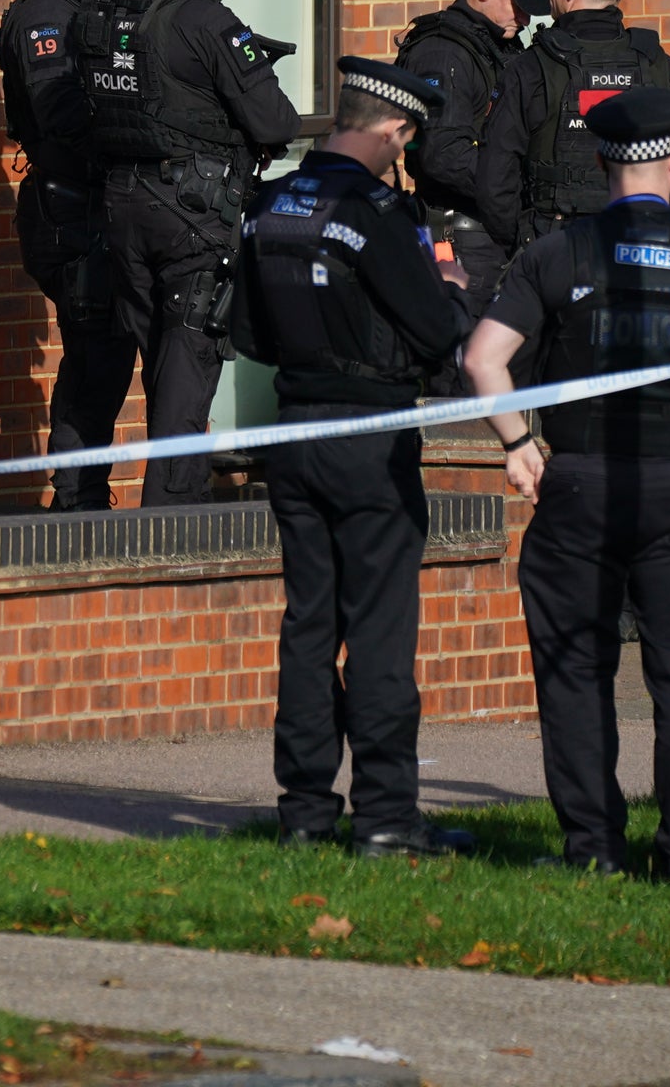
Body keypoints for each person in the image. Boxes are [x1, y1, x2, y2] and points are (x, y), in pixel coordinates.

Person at [464, 88, 670, 884]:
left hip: (580, 488)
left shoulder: (558, 253)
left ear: (603, 162)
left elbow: (483, 358)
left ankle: (594, 850)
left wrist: (520, 444)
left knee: (575, 672)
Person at [226, 56, 480, 856]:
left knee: (308, 624)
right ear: (393, 129)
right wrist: (451, 285)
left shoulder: (269, 205)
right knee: (377, 631)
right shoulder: (375, 212)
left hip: (293, 431)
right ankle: (384, 817)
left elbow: (245, 336)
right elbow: (437, 334)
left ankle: (303, 810)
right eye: (406, 140)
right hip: (370, 436)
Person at [82, 0, 302, 507]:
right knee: (187, 366)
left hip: (120, 205)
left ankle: (151, 501)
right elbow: (278, 124)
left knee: (160, 363)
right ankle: (169, 526)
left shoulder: (101, 11)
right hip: (191, 215)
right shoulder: (208, 20)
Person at [0, 0, 145, 513]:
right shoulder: (48, 15)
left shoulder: (104, 7)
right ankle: (77, 499)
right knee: (94, 356)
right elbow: (58, 111)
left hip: (100, 206)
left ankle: (82, 490)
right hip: (70, 211)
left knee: (108, 355)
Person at [476, 0, 670, 253]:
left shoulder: (529, 70)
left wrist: (530, 248)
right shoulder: (665, 72)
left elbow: (494, 186)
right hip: (641, 259)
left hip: (558, 255)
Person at [394, 0, 548, 304]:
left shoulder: (498, 44)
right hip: (461, 239)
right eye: (519, 5)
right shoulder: (444, 51)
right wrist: (515, 181)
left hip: (494, 236)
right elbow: (441, 154)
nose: (525, 18)